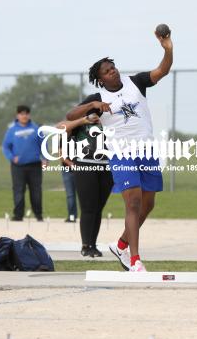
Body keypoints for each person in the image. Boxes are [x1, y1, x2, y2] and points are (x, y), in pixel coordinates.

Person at [66, 29, 173, 272]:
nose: (112, 70)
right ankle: (135, 260)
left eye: (112, 66)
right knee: (133, 203)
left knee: (148, 205)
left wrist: (167, 49)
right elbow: (70, 116)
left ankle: (121, 244)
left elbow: (163, 70)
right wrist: (92, 105)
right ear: (100, 79)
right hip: (121, 154)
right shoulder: (99, 96)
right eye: (106, 70)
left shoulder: (136, 83)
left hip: (146, 151)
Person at [65, 111, 113, 257]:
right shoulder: (82, 121)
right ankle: (85, 246)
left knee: (98, 207)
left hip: (107, 166)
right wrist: (84, 120)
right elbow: (61, 128)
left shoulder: (111, 121)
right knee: (88, 208)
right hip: (85, 165)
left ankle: (93, 244)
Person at [2, 105, 46, 222]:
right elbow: (6, 147)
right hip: (18, 167)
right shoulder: (12, 130)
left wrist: (45, 159)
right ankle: (18, 215)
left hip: (35, 165)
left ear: (29, 115)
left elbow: (44, 144)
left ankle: (38, 215)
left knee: (36, 191)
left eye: (26, 113)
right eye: (21, 113)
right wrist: (11, 157)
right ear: (17, 115)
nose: (24, 116)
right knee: (18, 190)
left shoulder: (36, 129)